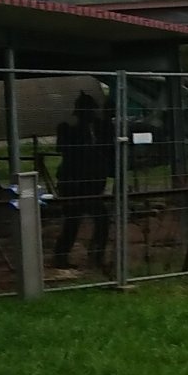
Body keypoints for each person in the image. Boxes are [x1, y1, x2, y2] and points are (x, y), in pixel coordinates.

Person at [52, 92, 115, 271]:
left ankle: (96, 256)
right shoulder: (69, 130)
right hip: (73, 183)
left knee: (101, 220)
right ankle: (61, 257)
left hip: (92, 184)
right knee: (73, 221)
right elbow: (65, 149)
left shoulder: (100, 128)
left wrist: (107, 118)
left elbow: (109, 144)